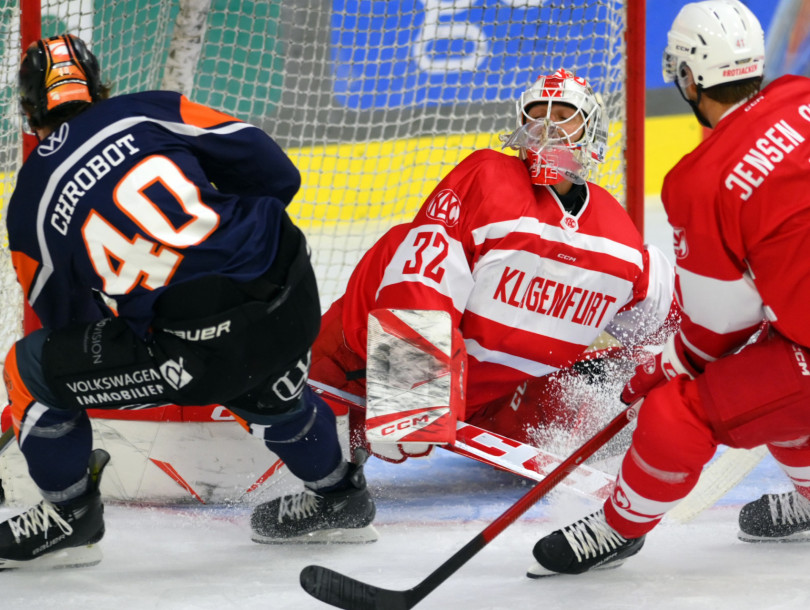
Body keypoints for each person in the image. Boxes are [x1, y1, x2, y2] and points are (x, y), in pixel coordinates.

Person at [0, 33, 376, 570]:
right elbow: (277, 173)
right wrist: (216, 249)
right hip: (291, 292)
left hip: (200, 350)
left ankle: (69, 516)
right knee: (250, 355)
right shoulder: (149, 109)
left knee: (29, 368)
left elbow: (67, 323)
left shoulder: (30, 202)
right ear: (101, 88)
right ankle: (339, 494)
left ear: (28, 114)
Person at [529, 0, 810, 578]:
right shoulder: (803, 96)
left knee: (679, 409)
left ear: (687, 77)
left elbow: (713, 336)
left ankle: (617, 528)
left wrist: (658, 368)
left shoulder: (700, 181)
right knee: (771, 363)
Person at [309, 68, 675, 465]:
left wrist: (684, 375)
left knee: (574, 405)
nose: (547, 127)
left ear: (591, 131)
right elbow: (424, 270)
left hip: (491, 400)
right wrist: (409, 395)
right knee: (299, 464)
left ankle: (584, 419)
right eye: (536, 115)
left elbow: (673, 321)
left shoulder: (619, 239)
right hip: (353, 364)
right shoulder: (488, 180)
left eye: (563, 115)